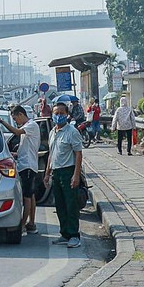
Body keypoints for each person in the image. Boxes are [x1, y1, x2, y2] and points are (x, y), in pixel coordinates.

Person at [44, 101, 85, 248]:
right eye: (56, 113)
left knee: (71, 205)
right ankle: (64, 233)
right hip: (56, 172)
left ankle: (74, 235)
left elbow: (78, 154)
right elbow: (51, 153)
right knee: (60, 205)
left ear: (67, 115)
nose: (59, 116)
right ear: (52, 115)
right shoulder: (52, 132)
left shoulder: (72, 132)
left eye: (62, 113)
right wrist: (47, 173)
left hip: (68, 171)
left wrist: (76, 175)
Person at [0, 104, 42, 234]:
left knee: (27, 197)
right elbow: (26, 147)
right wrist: (15, 154)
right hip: (27, 163)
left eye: (15, 119)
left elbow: (16, 132)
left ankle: (22, 225)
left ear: (21, 115)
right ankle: (31, 223)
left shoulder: (30, 126)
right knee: (31, 195)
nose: (16, 122)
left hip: (27, 165)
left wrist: (1, 121)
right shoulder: (28, 127)